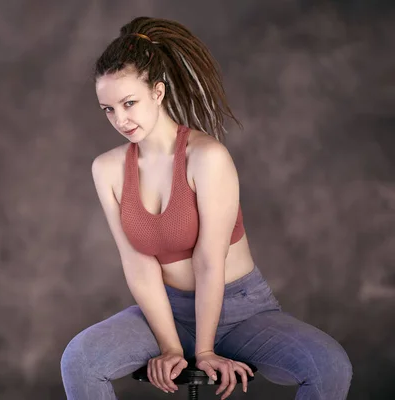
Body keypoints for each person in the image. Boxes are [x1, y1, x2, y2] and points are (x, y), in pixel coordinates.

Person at [60, 16, 352, 400]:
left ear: (158, 92)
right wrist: (169, 346)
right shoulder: (107, 169)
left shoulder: (207, 157)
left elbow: (209, 262)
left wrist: (205, 351)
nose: (121, 119)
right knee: (80, 359)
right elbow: (139, 265)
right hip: (165, 311)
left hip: (240, 311)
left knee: (328, 366)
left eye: (129, 103)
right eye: (109, 109)